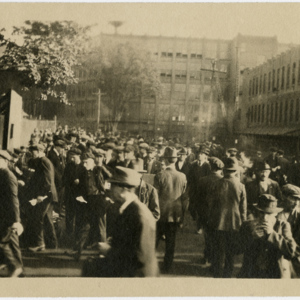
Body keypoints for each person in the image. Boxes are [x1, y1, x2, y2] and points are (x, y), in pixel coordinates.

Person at [83, 167, 158, 277]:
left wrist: (108, 251)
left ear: (124, 189)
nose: (110, 190)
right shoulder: (129, 209)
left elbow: (139, 257)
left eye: (113, 186)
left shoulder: (138, 214)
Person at [238, 194, 297, 278]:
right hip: (252, 272)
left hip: (274, 272)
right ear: (256, 212)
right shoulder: (247, 225)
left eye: (269, 213)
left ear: (275, 214)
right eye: (262, 213)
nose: (265, 217)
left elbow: (291, 251)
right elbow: (236, 249)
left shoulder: (282, 225)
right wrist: (251, 237)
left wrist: (272, 234)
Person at [208, 157, 247, 278]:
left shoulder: (216, 184)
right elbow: (243, 208)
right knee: (230, 251)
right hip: (235, 223)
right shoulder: (241, 186)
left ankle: (217, 273)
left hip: (218, 221)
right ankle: (228, 274)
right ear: (235, 171)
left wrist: (211, 219)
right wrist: (243, 223)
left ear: (224, 170)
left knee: (219, 250)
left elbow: (210, 204)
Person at [154, 147, 187, 272]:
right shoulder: (182, 176)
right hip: (175, 214)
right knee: (171, 242)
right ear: (174, 160)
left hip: (161, 213)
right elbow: (184, 198)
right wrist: (182, 216)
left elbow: (155, 196)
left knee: (155, 240)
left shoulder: (160, 175)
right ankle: (167, 266)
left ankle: (149, 264)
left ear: (166, 160)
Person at [25, 143, 58, 251]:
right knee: (47, 219)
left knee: (38, 217)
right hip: (49, 195)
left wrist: (42, 195)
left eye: (33, 152)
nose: (31, 154)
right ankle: (53, 244)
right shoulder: (42, 161)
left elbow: (47, 180)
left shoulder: (43, 161)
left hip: (45, 195)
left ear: (39, 151)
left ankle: (40, 244)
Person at [195, 157, 224, 264]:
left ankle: (207, 256)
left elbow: (198, 199)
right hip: (218, 214)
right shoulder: (223, 180)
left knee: (208, 237)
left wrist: (199, 214)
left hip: (205, 213)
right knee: (217, 237)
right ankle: (213, 258)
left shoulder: (203, 180)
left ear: (211, 167)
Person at [0, 150, 24, 277]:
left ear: (4, 161)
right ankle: (16, 267)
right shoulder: (2, 173)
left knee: (5, 242)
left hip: (8, 215)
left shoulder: (8, 176)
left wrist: (16, 220)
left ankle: (16, 267)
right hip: (3, 214)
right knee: (12, 243)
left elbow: (14, 199)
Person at [187, 145, 211, 232]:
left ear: (205, 156)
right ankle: (197, 220)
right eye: (199, 153)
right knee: (193, 208)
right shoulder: (193, 165)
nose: (199, 155)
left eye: (202, 154)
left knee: (201, 209)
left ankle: (200, 226)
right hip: (194, 190)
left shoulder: (207, 166)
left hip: (203, 191)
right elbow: (189, 178)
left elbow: (209, 179)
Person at [278, 184, 300, 277]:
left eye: (298, 199)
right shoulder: (274, 213)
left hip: (295, 253)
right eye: (293, 198)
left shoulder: (298, 215)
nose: (296, 203)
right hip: (278, 254)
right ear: (284, 197)